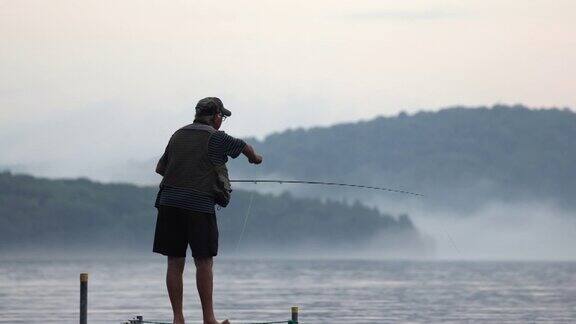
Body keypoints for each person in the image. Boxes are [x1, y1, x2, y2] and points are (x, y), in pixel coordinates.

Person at [153, 97, 262, 324]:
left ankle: (178, 319)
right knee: (204, 261)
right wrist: (256, 159)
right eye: (221, 116)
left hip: (169, 203)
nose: (221, 120)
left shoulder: (178, 134)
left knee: (174, 261)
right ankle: (209, 320)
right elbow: (245, 148)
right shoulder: (215, 136)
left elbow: (160, 168)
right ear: (215, 116)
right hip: (199, 206)